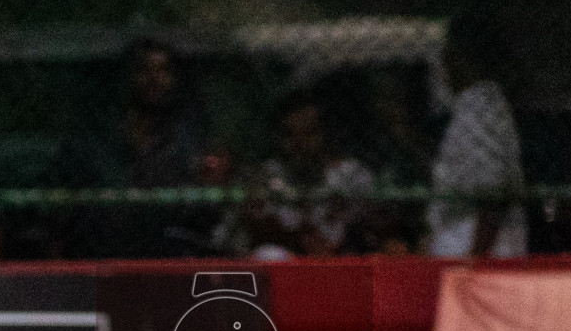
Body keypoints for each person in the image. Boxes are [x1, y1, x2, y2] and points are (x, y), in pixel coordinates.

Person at [58, 38, 215, 258]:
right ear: (127, 77)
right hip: (102, 256)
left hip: (167, 254)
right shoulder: (96, 141)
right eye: (144, 70)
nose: (154, 80)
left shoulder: (187, 142)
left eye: (163, 71)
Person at [426, 11, 527, 260]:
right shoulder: (471, 106)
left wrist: (475, 260)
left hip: (478, 253)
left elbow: (493, 196)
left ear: (459, 57)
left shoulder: (481, 106)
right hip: (467, 248)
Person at [239, 91, 378, 258]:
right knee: (268, 254)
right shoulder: (266, 175)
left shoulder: (352, 174)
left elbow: (372, 226)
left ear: (325, 134)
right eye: (289, 134)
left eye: (309, 133)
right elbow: (257, 228)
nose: (299, 143)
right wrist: (297, 238)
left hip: (342, 258)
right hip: (291, 261)